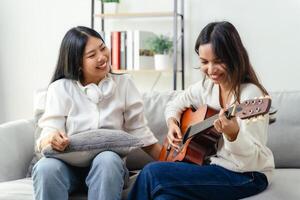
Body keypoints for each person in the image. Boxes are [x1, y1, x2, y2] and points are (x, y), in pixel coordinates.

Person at [128, 21, 275, 200]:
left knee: (152, 172)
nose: (211, 70)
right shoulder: (208, 87)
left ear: (234, 56)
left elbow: (249, 161)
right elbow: (174, 104)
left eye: (218, 61)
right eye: (204, 62)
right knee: (164, 197)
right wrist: (173, 122)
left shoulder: (251, 96)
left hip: (247, 174)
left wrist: (233, 135)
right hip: (213, 167)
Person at [32, 26, 161, 200]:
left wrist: (174, 164)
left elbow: (141, 134)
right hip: (66, 167)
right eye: (92, 55)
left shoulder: (124, 84)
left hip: (108, 167)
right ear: (77, 62)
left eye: (102, 48)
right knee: (45, 168)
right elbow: (48, 131)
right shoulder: (60, 88)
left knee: (107, 159)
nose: (102, 57)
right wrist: (52, 138)